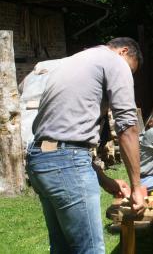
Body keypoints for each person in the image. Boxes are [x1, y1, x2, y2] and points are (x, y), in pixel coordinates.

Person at [26, 37, 146, 254]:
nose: (127, 76)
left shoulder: (73, 60)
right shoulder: (115, 61)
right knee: (89, 249)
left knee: (62, 248)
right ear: (123, 52)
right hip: (65, 162)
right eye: (130, 70)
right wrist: (137, 188)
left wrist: (103, 179)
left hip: (38, 157)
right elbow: (127, 126)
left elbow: (61, 137)